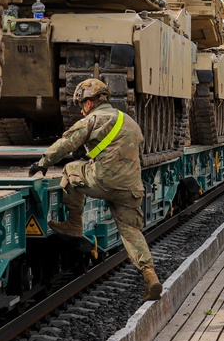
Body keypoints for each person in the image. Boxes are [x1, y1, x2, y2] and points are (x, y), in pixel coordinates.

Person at [28, 79, 162, 301]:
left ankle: (74, 224)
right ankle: (150, 276)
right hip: (131, 188)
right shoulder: (129, 121)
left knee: (71, 170)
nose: (81, 109)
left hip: (103, 182)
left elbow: (67, 143)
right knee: (131, 231)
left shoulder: (92, 119)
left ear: (89, 103)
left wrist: (43, 162)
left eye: (81, 104)